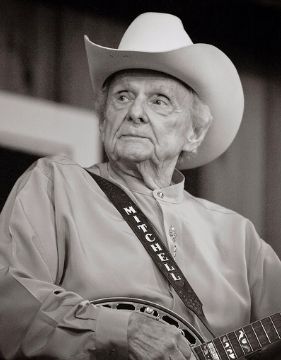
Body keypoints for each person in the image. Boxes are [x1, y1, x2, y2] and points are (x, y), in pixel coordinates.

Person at [0, 11, 281, 360]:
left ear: (193, 133)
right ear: (104, 119)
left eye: (159, 100)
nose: (135, 112)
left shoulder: (241, 240)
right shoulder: (55, 185)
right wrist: (119, 330)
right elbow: (8, 301)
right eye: (122, 96)